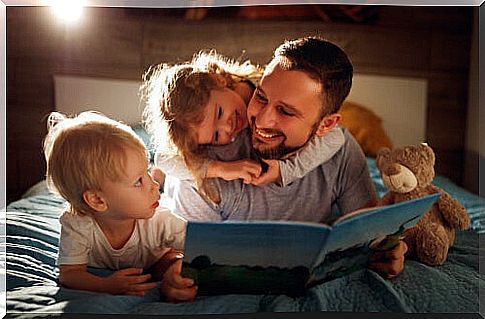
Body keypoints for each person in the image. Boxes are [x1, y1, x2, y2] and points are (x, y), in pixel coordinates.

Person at [152, 37, 407, 279]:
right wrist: (173, 273)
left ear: (325, 125)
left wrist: (388, 251)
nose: (260, 121)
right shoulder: (201, 156)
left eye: (285, 111)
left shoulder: (341, 153)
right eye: (260, 97)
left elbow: (369, 234)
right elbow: (175, 254)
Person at [142, 50, 346, 200]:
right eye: (215, 136)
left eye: (220, 113)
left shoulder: (268, 85)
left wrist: (286, 170)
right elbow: (164, 158)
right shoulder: (208, 132)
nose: (227, 127)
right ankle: (159, 180)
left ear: (218, 79)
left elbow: (336, 137)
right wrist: (220, 169)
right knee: (176, 172)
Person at [43, 111, 197, 301]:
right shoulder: (78, 224)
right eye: (138, 181)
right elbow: (70, 274)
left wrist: (173, 271)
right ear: (97, 200)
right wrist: (105, 285)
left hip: (157, 260)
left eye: (147, 173)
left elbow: (199, 248)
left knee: (173, 262)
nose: (153, 187)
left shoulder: (160, 217)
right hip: (139, 263)